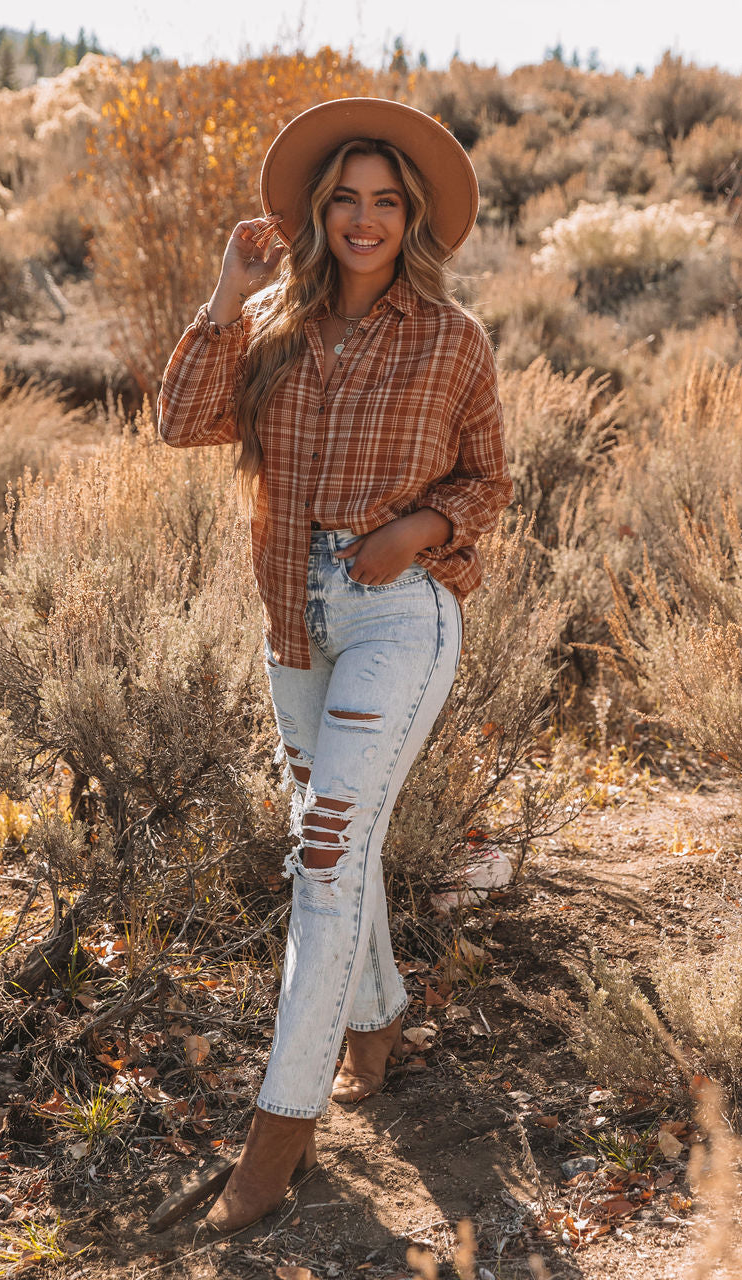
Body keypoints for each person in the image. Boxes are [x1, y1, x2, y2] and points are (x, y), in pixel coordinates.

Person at [153, 97, 513, 1237]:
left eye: (386, 201)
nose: (364, 218)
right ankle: (375, 1015)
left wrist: (416, 534)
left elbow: (489, 481)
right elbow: (181, 422)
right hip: (292, 623)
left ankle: (274, 1145)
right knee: (331, 827)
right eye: (346, 199)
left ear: (412, 221)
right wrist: (223, 289)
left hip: (400, 616)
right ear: (320, 211)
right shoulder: (266, 320)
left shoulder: (452, 339)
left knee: (323, 847)